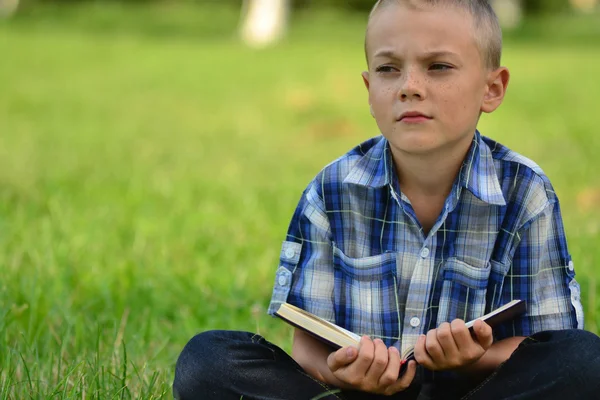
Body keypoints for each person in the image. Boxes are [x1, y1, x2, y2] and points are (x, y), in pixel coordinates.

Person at [172, 1, 600, 399]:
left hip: (476, 389)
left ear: (492, 88)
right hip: (357, 392)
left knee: (584, 362)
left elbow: (550, 339)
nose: (410, 87)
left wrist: (469, 358)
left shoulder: (525, 192)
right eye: (389, 69)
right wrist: (344, 372)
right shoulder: (333, 190)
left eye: (438, 67)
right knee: (206, 362)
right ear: (369, 88)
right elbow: (306, 348)